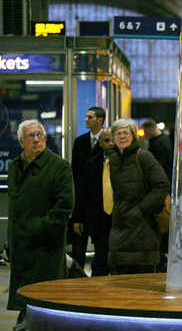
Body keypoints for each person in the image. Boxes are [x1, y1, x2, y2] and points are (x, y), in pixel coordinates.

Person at [7, 120, 73, 330]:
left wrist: (38, 228)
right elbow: (14, 206)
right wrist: (11, 237)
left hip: (46, 247)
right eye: (31, 136)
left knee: (45, 299)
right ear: (21, 142)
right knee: (25, 297)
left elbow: (65, 207)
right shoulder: (15, 166)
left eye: (40, 135)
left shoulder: (58, 166)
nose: (36, 140)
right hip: (21, 247)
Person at [108, 118, 169, 275]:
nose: (122, 137)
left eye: (126, 133)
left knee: (141, 282)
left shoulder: (144, 157)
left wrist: (141, 210)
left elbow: (162, 185)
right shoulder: (113, 161)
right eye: (118, 133)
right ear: (113, 138)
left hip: (143, 230)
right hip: (120, 228)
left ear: (133, 136)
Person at [75, 127, 115, 276]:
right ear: (100, 143)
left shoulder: (126, 161)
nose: (111, 143)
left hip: (119, 217)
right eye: (106, 140)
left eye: (113, 139)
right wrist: (77, 217)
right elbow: (82, 191)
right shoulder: (91, 163)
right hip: (98, 217)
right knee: (101, 258)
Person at [71, 106, 105, 270]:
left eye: (90, 117)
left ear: (100, 120)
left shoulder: (108, 141)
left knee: (101, 249)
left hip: (101, 204)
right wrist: (76, 213)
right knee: (78, 248)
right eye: (86, 116)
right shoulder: (80, 142)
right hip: (83, 202)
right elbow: (75, 173)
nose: (86, 119)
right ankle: (76, 278)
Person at [141, 119, 173, 272]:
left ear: (151, 129)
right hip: (166, 188)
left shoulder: (157, 144)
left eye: (146, 132)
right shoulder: (165, 140)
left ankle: (161, 261)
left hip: (161, 190)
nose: (145, 135)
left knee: (160, 224)